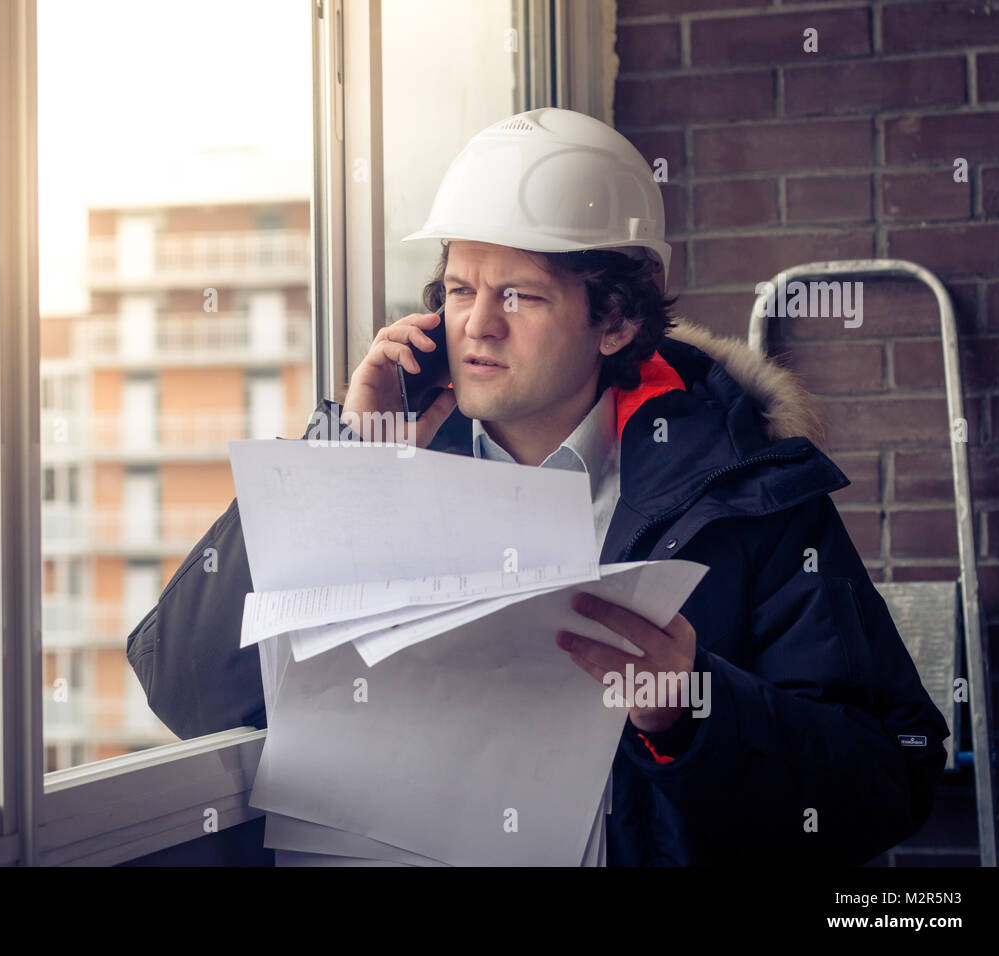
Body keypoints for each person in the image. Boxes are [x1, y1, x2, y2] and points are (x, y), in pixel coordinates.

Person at [126, 108, 948, 865]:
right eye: (458, 290)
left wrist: (695, 712)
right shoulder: (374, 459)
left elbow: (893, 775)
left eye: (518, 294)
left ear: (616, 321)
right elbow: (184, 690)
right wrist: (341, 455)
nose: (476, 324)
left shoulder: (750, 493)